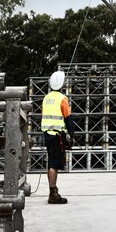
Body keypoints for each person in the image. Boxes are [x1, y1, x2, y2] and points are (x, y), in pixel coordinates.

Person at [41, 70, 74, 204]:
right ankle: (53, 194)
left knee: (51, 163)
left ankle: (52, 190)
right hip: (57, 135)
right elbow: (68, 119)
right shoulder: (62, 99)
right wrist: (72, 135)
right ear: (62, 84)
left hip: (47, 134)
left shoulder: (46, 98)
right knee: (54, 164)